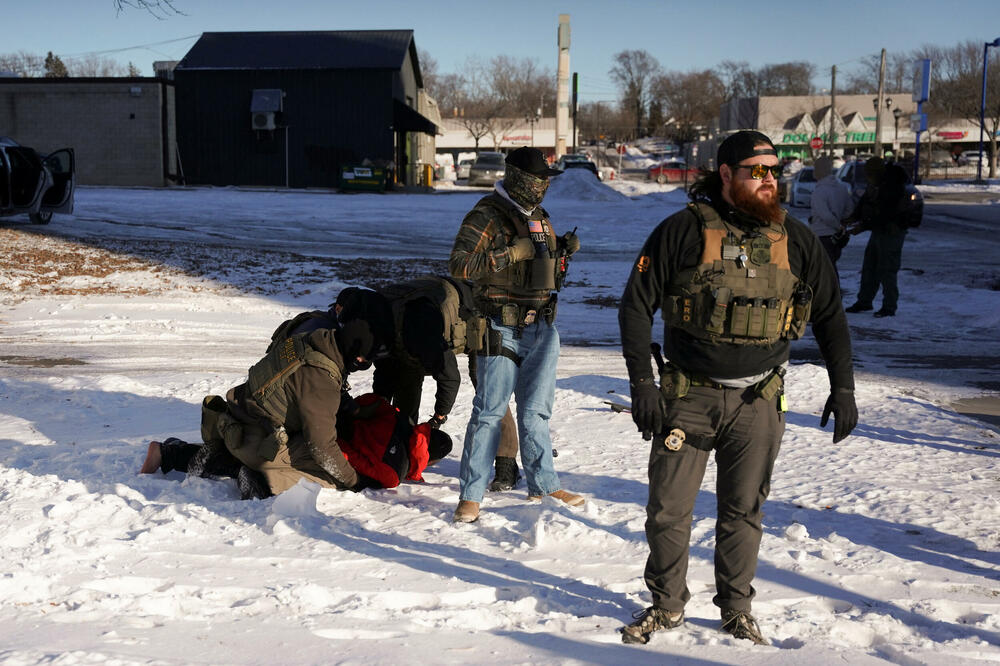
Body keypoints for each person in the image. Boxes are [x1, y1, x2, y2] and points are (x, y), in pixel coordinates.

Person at [618, 130, 858, 645]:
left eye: (774, 170)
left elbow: (831, 316)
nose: (770, 180)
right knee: (668, 511)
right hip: (688, 397)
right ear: (726, 174)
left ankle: (735, 607)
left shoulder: (796, 239)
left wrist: (845, 389)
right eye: (757, 170)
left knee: (744, 511)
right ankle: (666, 605)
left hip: (760, 401)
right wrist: (642, 382)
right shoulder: (681, 231)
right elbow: (636, 305)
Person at [448, 146, 583, 523]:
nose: (543, 187)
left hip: (542, 326)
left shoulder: (541, 218)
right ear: (520, 178)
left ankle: (544, 484)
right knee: (489, 413)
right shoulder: (486, 215)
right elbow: (459, 264)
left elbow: (550, 279)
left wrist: (563, 256)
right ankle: (471, 495)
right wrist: (511, 254)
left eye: (546, 181)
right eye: (538, 180)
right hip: (499, 325)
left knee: (536, 413)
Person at [339, 279, 524, 491]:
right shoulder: (377, 325)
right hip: (417, 326)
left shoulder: (420, 328)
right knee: (405, 373)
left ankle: (506, 465)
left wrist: (438, 417)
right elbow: (386, 373)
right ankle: (404, 444)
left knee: (489, 390)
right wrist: (379, 416)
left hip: (478, 315)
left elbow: (450, 377)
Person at [167, 319, 383, 496]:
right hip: (258, 444)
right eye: (365, 360)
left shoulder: (308, 341)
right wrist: (354, 481)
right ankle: (262, 482)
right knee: (327, 467)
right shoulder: (321, 380)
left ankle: (173, 453)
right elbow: (322, 448)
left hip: (234, 421)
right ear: (357, 356)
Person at [140, 393, 453, 493]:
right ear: (431, 461)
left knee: (260, 446)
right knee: (268, 466)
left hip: (316, 425)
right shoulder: (394, 473)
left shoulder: (393, 413)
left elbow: (364, 402)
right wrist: (330, 444)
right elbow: (354, 463)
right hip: (325, 448)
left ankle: (171, 453)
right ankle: (175, 456)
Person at [844, 158, 909, 317]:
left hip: (892, 232)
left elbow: (886, 214)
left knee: (887, 269)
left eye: (869, 175)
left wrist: (862, 227)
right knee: (869, 266)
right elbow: (865, 202)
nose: (867, 178)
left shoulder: (893, 187)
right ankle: (864, 301)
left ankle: (889, 306)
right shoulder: (876, 184)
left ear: (877, 173)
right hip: (878, 231)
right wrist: (853, 217)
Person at [809, 155, 854, 272]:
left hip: (822, 235)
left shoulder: (819, 191)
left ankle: (831, 290)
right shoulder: (842, 187)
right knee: (831, 267)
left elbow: (825, 215)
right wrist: (841, 223)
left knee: (825, 271)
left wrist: (837, 226)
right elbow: (849, 209)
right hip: (836, 238)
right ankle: (833, 289)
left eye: (816, 168)